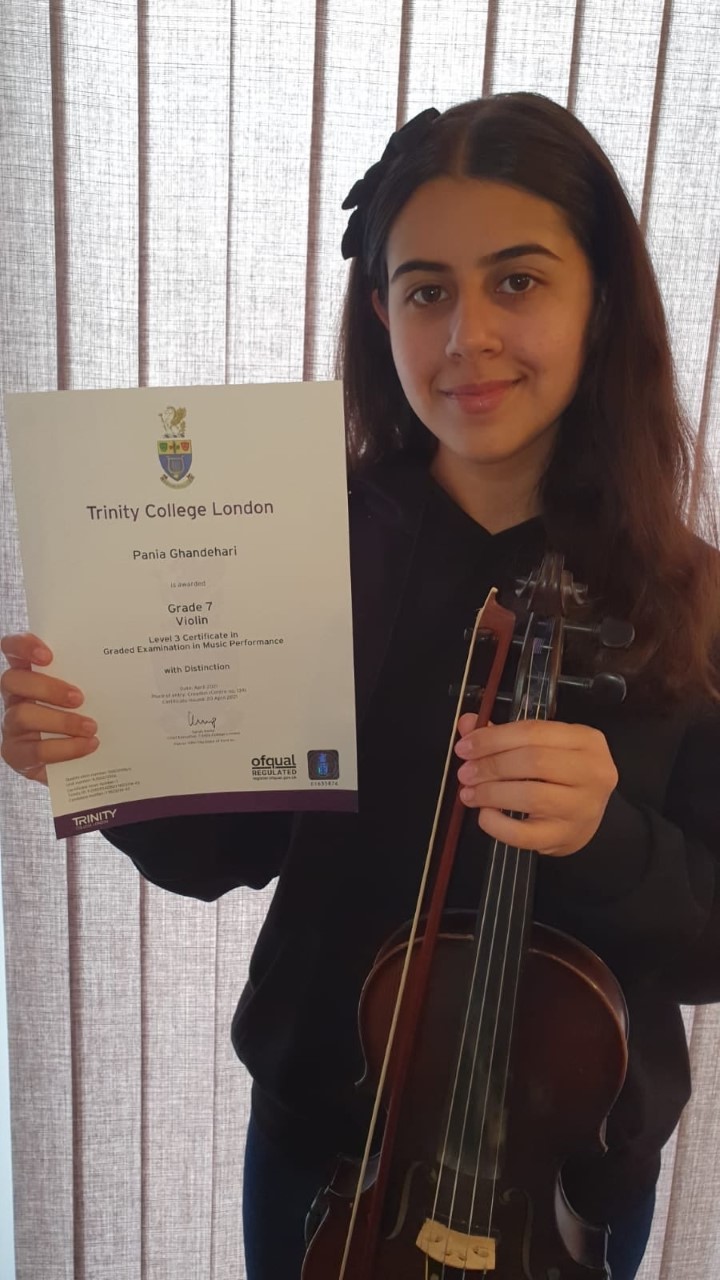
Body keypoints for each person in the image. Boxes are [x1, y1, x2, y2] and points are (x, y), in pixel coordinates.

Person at [2, 91, 720, 1280]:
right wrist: (105, 745)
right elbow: (223, 850)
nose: (467, 336)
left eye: (518, 281)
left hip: (564, 1179)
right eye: (427, 290)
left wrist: (606, 837)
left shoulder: (692, 600)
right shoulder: (301, 547)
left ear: (601, 300)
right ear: (380, 308)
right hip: (326, 1153)